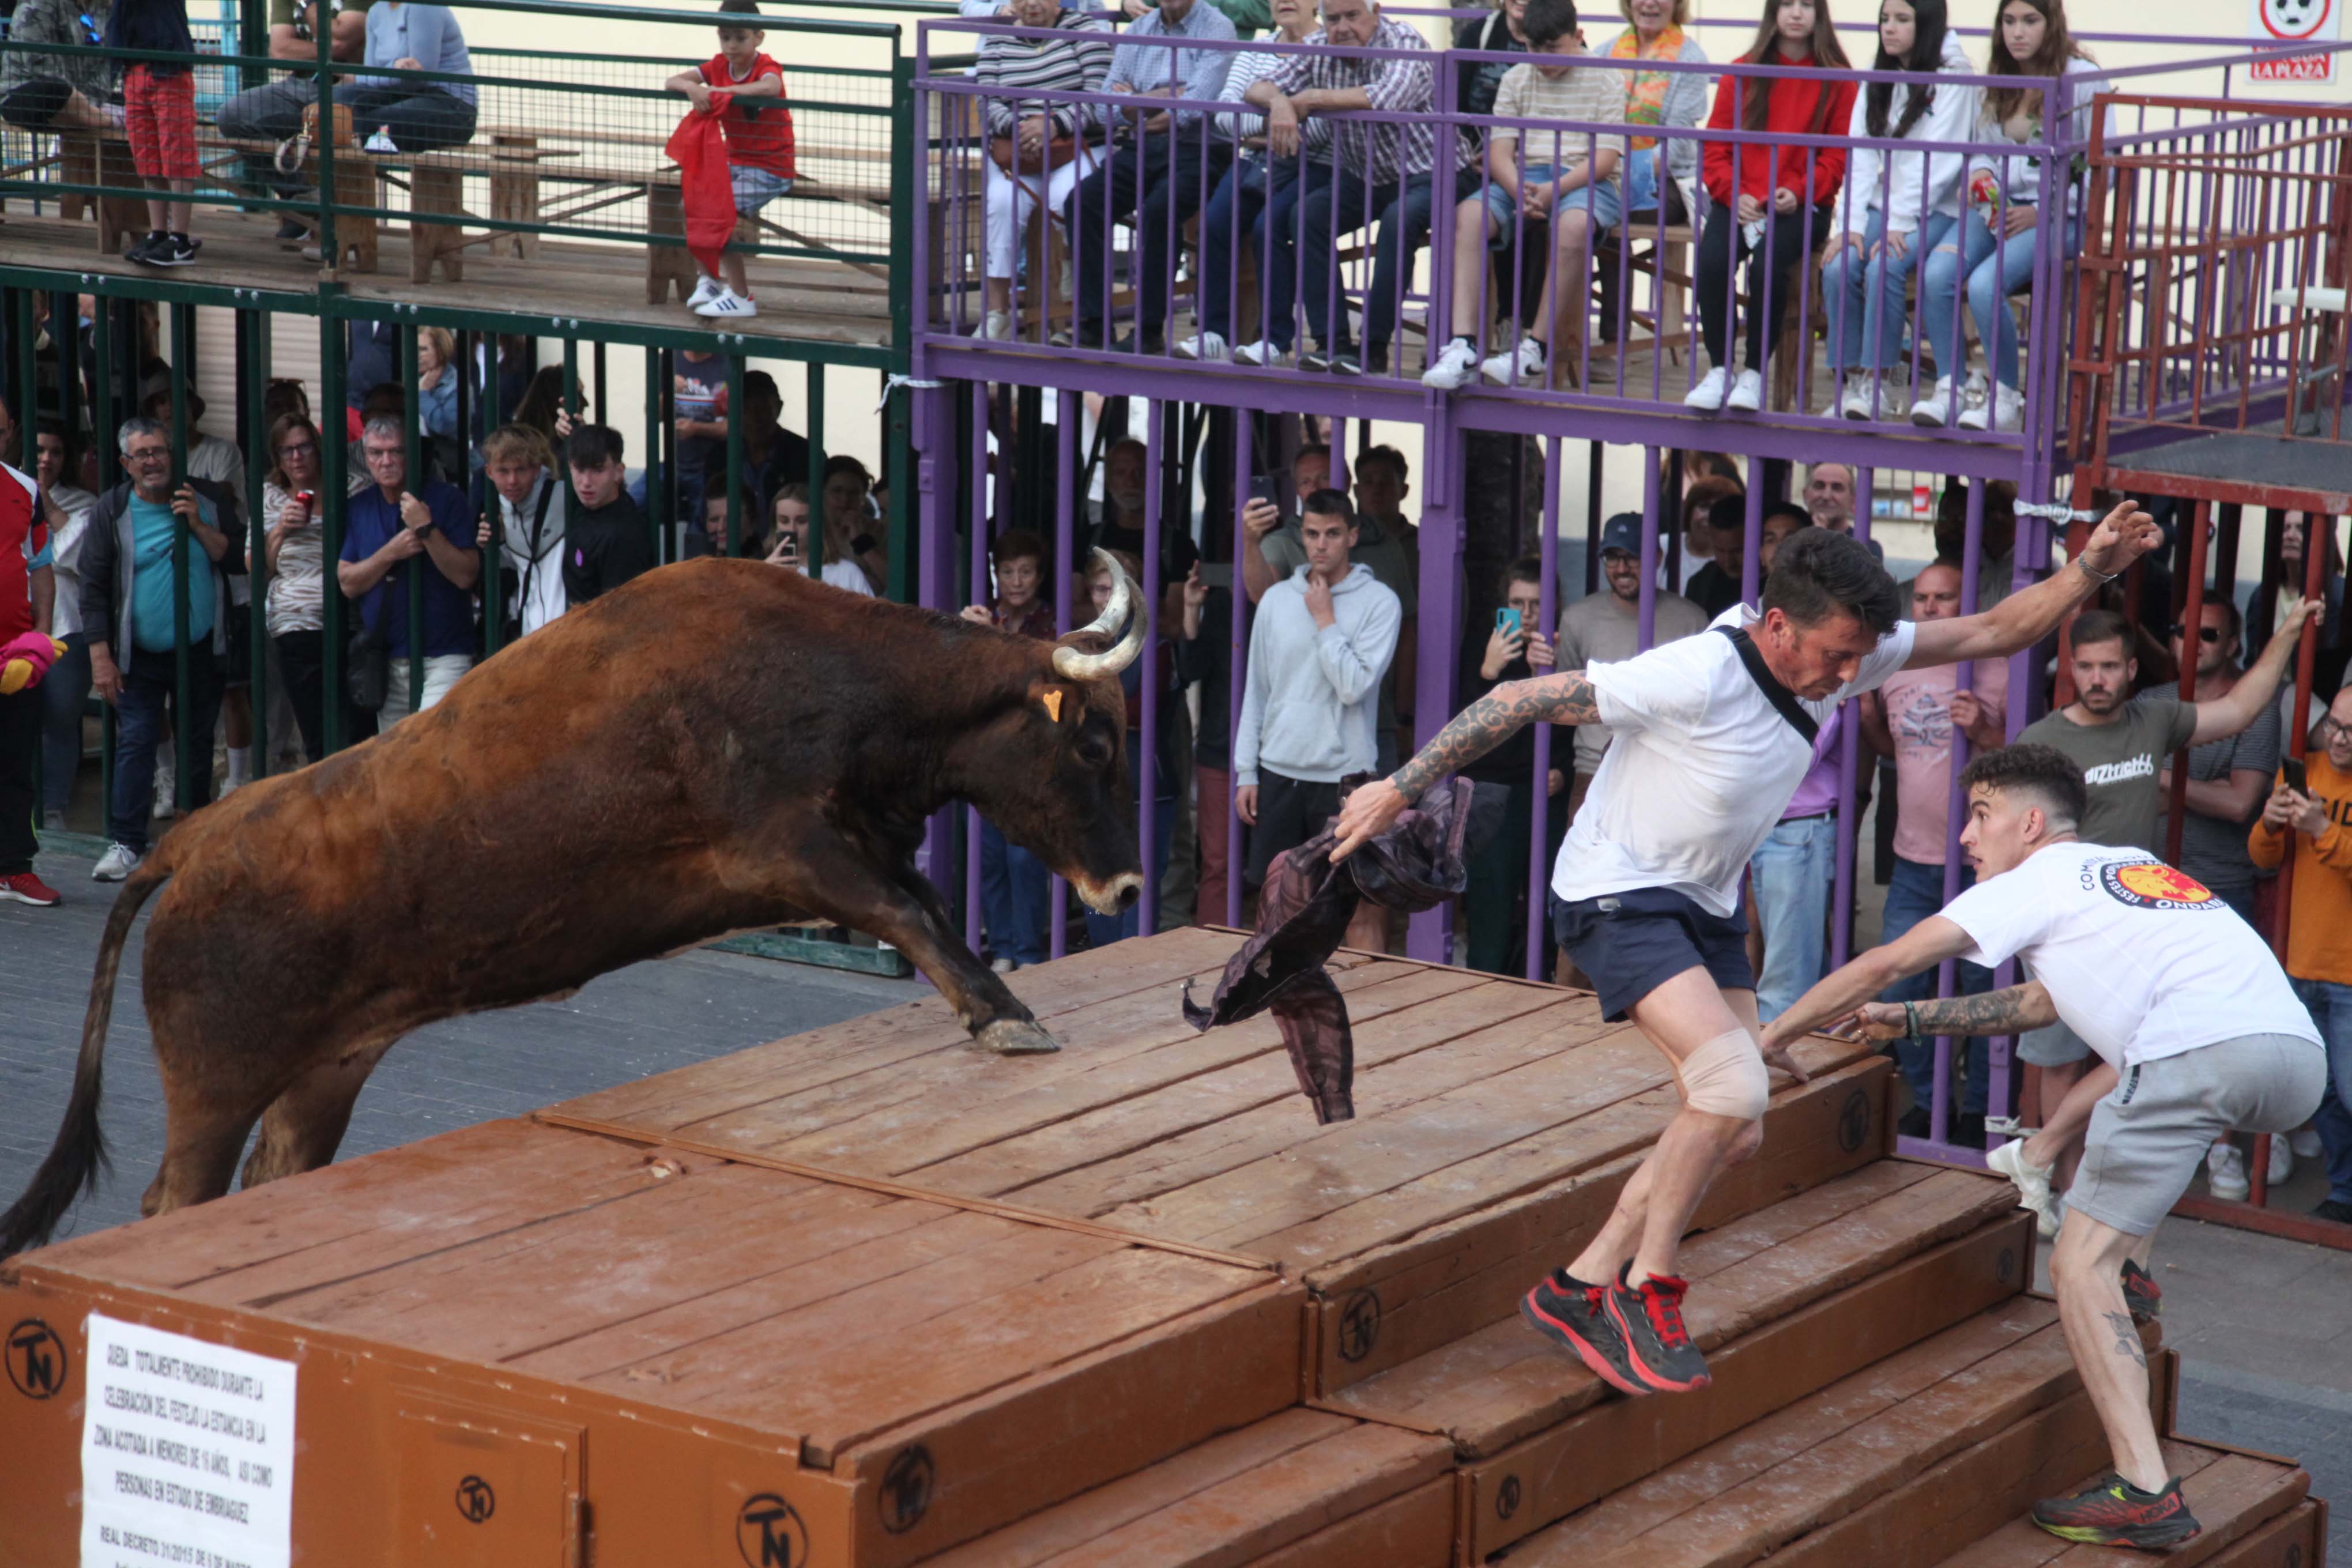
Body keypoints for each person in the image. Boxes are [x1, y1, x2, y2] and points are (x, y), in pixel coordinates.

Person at [1328, 500, 2164, 1398]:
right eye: (1835, 655)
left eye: (1857, 658)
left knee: (1739, 1127)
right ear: (1775, 626)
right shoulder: (1697, 672)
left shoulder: (1838, 652)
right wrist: (1397, 786)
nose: (1848, 675)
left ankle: (1579, 1285)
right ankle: (1642, 1292)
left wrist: (2094, 565)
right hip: (1617, 894)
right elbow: (1519, 697)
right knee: (1730, 1084)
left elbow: (1999, 625)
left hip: (1704, 902)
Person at [1767, 742, 2324, 1548]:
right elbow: (2041, 1000)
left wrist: (1771, 1034)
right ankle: (2130, 1281)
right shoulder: (2121, 868)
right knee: (2144, 1152)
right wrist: (1916, 1019)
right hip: (2289, 1058)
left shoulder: (2033, 880)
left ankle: (2145, 1488)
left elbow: (1889, 958)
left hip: (2194, 1049)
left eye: (1981, 815)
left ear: (2030, 824)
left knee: (2073, 1262)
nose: (1965, 835)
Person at [2012, 602, 2318, 1193]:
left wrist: (2284, 634)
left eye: (2109, 666)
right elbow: (2005, 829)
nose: (2097, 678)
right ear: (2071, 668)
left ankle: (2071, 1177)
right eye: (2086, 666)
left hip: (2136, 930)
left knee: (2141, 1052)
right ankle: (2067, 1192)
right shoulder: (2043, 742)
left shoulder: (2153, 720)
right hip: (2064, 930)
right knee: (2058, 1058)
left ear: (2132, 669)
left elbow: (2239, 708)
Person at [1857, 559, 2008, 1137]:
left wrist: (1987, 733)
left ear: (1964, 601)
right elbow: (1891, 748)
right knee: (1900, 986)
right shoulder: (1896, 662)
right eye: (1920, 599)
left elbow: (2028, 758)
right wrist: (1868, 716)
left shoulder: (1994, 667)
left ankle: (1976, 1111)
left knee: (1978, 991)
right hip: (1913, 858)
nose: (1929, 609)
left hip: (1980, 865)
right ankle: (1928, 1101)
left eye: (1942, 598)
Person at [1241, 0, 1471, 376]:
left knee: (1399, 220)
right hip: (1366, 174)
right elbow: (1257, 87)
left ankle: (1374, 346)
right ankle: (1332, 344)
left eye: (1353, 16)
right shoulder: (1319, 48)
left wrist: (1311, 98)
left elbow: (1388, 99)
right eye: (1333, 19)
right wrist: (1281, 103)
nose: (1343, 28)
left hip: (1434, 169)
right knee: (1307, 215)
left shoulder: (1404, 40)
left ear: (1376, 13)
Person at [1421, 0, 1627, 392]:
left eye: (1554, 47)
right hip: (1525, 178)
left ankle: (1536, 347)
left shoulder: (1607, 79)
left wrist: (1554, 191)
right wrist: (1520, 191)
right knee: (1468, 216)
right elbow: (1499, 151)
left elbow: (1604, 159)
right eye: (1535, 48)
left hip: (1583, 181)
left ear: (1578, 37)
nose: (1544, 58)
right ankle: (1464, 345)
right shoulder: (1517, 77)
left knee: (1573, 226)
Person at [1917, 0, 2101, 431]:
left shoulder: (2083, 80)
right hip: (1999, 210)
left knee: (1984, 283)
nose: (2018, 32)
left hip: (2061, 220)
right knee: (1937, 273)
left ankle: (2005, 395)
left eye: (2030, 21)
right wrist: (1980, 172)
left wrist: (2041, 211)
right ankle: (1952, 387)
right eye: (2009, 21)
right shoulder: (1998, 79)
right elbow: (1983, 144)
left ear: (2051, 24)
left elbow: (2099, 167)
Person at [1237, 488, 1402, 953]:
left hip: (1345, 778)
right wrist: (1246, 771)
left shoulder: (1379, 602)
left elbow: (1354, 687)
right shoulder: (1275, 601)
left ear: (1352, 536)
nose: (1321, 545)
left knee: (1360, 905)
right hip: (1279, 771)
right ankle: (1270, 1004)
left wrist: (1325, 620)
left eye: (1332, 534)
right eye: (1311, 534)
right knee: (1276, 903)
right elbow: (1258, 691)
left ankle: (1368, 1010)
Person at [79, 418, 243, 882]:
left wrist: (196, 524)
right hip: (139, 654)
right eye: (142, 455)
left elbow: (236, 559)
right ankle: (126, 843)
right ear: (126, 464)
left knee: (196, 742)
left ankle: (192, 837)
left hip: (199, 648)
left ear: (173, 455)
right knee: (135, 742)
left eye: (159, 451)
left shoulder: (208, 499)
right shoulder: (111, 511)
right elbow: (93, 588)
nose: (152, 461)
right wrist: (100, 656)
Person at [1683, 0, 1855, 413]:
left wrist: (1799, 191)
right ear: (1772, 12)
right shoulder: (1741, 71)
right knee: (1711, 259)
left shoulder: (1840, 80)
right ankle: (1721, 369)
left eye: (1807, 5)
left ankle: (1755, 374)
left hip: (1805, 205)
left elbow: (1838, 158)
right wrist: (1734, 193)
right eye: (1786, 4)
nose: (1796, 14)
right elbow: (1716, 149)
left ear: (1820, 14)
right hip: (1741, 198)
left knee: (1767, 264)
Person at [1820, 0, 1974, 423]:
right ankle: (1851, 380)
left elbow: (1940, 163)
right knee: (1838, 264)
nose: (1889, 29)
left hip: (1935, 208)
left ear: (1925, 23)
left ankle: (1881, 380)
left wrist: (1899, 222)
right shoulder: (1879, 73)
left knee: (1882, 266)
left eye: (1902, 20)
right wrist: (1848, 225)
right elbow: (1862, 152)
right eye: (1885, 19)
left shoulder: (1955, 76)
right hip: (1880, 207)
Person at [1058, 0, 1237, 354]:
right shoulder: (1139, 29)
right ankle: (1094, 324)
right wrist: (1168, 99)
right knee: (1083, 203)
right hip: (1142, 145)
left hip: (1200, 150)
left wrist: (1138, 102)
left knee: (1159, 210)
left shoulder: (1218, 27)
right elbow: (1103, 107)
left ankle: (1150, 329)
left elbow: (1195, 106)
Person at [2251, 688, 2352, 1227]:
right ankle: (2346, 1191)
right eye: (2333, 725)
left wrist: (2323, 830)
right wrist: (2270, 824)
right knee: (2320, 1092)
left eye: (2350, 732)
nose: (2337, 739)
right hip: (2300, 960)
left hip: (2348, 970)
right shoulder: (2303, 772)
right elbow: (2264, 857)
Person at [1175, 0, 1324, 363]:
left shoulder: (1326, 49)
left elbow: (1322, 132)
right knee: (1214, 222)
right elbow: (1225, 117)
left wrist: (1263, 122)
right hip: (1256, 160)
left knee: (1267, 227)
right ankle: (1213, 333)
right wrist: (1280, 115)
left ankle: (1275, 340)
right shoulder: (1256, 49)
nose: (1284, 2)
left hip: (1312, 164)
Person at [970, 0, 1114, 342]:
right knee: (1001, 205)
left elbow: (1099, 96)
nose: (1031, 3)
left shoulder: (1084, 32)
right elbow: (986, 99)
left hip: (1075, 145)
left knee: (1068, 200)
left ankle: (1072, 311)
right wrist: (1023, 131)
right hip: (1019, 149)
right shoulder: (998, 39)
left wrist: (1051, 126)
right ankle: (996, 312)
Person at [1554, 511, 1708, 828]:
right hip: (1594, 768)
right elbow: (1560, 702)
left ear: (1658, 557)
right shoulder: (1578, 618)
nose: (1622, 568)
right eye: (1612, 557)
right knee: (1586, 873)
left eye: (1633, 556)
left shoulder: (1691, 620)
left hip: (1668, 771)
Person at [336, 415, 480, 724]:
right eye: (376, 453)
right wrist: (391, 553)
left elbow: (466, 575)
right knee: (397, 759)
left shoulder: (447, 499)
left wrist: (426, 529)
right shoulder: (359, 506)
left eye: (396, 452)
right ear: (365, 457)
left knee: (432, 743)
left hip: (445, 652)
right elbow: (347, 582)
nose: (386, 461)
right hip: (388, 658)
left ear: (411, 454)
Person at [1460, 556, 1566, 974]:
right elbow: (1464, 736)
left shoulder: (1562, 646)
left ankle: (1540, 985)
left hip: (1546, 795)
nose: (1525, 615)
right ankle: (1483, 992)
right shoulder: (1482, 649)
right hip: (1492, 798)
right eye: (1516, 603)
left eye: (1536, 605)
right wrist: (1490, 673)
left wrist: (1564, 771)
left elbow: (1579, 727)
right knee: (1491, 909)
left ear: (1554, 605)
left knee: (1548, 909)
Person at [963, 529, 1059, 968]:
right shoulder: (981, 620)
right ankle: (1001, 947)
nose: (1016, 581)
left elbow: (1053, 698)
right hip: (989, 759)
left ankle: (1029, 950)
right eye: (1007, 571)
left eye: (1025, 571)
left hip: (1034, 759)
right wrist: (968, 639)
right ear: (995, 573)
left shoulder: (1053, 626)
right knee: (990, 859)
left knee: (1025, 859)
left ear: (1039, 576)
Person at [666, 0, 797, 320]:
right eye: (725, 38)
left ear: (759, 38)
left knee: (721, 215)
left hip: (770, 167)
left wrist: (726, 94)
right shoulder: (716, 67)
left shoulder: (766, 66)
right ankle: (709, 279)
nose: (732, 46)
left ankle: (741, 295)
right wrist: (693, 89)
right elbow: (672, 81)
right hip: (735, 162)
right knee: (690, 206)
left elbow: (771, 85)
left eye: (740, 38)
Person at [1084, 548, 1182, 947]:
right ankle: (1098, 965)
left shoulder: (1156, 645)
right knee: (1094, 875)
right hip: (1091, 782)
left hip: (1146, 782)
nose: (1108, 599)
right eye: (1100, 589)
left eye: (1117, 589)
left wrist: (1085, 705)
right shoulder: (1079, 643)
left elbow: (1139, 711)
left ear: (1135, 593)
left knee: (1138, 879)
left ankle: (1131, 969)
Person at [2162, 597, 2277, 928]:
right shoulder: (2149, 702)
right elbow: (2129, 789)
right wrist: (2208, 790)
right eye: (2184, 632)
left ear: (2232, 646)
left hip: (2219, 889)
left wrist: (2161, 778)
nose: (2194, 643)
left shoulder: (2259, 712)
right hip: (2148, 880)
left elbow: (2239, 804)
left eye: (2208, 635)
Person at [213, 0, 368, 228]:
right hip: (299, 83)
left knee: (329, 126)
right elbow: (279, 50)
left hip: (348, 86)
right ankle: (302, 198)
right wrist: (330, 49)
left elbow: (339, 41)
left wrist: (313, 7)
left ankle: (327, 221)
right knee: (232, 114)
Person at [258, 414, 345, 763]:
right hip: (297, 620)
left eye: (304, 446)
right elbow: (257, 565)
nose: (297, 457)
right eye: (287, 450)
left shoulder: (347, 487)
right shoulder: (270, 496)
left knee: (352, 720)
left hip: (347, 612)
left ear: (318, 448)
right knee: (316, 726)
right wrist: (280, 529)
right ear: (278, 458)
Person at [1, 453, 61, 906]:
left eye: (0, 429)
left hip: (14, 653)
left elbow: (41, 563)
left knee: (16, 762)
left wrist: (41, 634)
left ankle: (14, 869)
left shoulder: (26, 489)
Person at [31, 423, 97, 828]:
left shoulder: (85, 504)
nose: (46, 460)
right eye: (40, 450)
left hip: (65, 627)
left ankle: (52, 810)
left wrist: (48, 504)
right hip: (15, 627)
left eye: (56, 452)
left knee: (59, 721)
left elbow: (80, 560)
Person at [103, 0, 203, 267]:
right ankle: (159, 232)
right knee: (148, 160)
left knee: (177, 156)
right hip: (134, 69)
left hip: (168, 69)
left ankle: (180, 239)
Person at [1178, 561, 1242, 926]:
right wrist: (1191, 609)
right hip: (1221, 746)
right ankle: (1213, 951)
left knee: (1280, 863)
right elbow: (1190, 671)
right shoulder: (1220, 603)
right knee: (1217, 861)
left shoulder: (1284, 599)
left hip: (1277, 751)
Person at [1604, 0, 1708, 223]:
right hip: (1605, 173)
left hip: (1667, 182)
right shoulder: (1604, 52)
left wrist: (1615, 170)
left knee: (1593, 203)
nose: (1650, 3)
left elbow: (1677, 144)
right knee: (1571, 200)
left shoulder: (1692, 59)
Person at [344, 1, 477, 156]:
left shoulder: (423, 6)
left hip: (451, 104)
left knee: (372, 122)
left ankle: (360, 162)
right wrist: (393, 70)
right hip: (404, 94)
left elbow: (419, 76)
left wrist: (366, 76)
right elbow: (370, 75)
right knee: (345, 101)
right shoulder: (375, 10)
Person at [472, 424, 567, 640]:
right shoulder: (497, 509)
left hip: (567, 633)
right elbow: (518, 565)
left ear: (536, 470)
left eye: (521, 470)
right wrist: (496, 545)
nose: (512, 480)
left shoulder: (563, 497)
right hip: (530, 636)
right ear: (489, 472)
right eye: (503, 471)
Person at [559, 424, 656, 609]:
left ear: (619, 472)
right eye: (580, 470)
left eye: (598, 470)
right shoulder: (587, 506)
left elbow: (621, 616)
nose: (586, 483)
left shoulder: (622, 536)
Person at [1, 0, 125, 137]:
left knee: (136, 102)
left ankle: (91, 115)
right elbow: (36, 62)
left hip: (84, 99)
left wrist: (90, 100)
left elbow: (107, 64)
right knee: (53, 91)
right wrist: (77, 97)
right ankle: (108, 120)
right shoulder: (40, 3)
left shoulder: (105, 8)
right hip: (28, 91)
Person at [1237, 441, 1333, 601]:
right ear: (1297, 490)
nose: (1315, 488)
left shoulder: (1379, 536)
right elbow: (1262, 595)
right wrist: (1251, 541)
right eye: (1305, 482)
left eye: (1325, 478)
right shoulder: (1282, 541)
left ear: (1347, 481)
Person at [769, 480, 877, 595]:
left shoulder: (847, 573)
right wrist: (764, 574)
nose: (792, 529)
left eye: (802, 521)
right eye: (784, 521)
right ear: (775, 525)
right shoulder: (764, 569)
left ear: (818, 523)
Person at [1681, 488, 1750, 617]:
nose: (1729, 562)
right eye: (1720, 550)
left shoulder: (1775, 585)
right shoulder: (1700, 583)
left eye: (1738, 551)